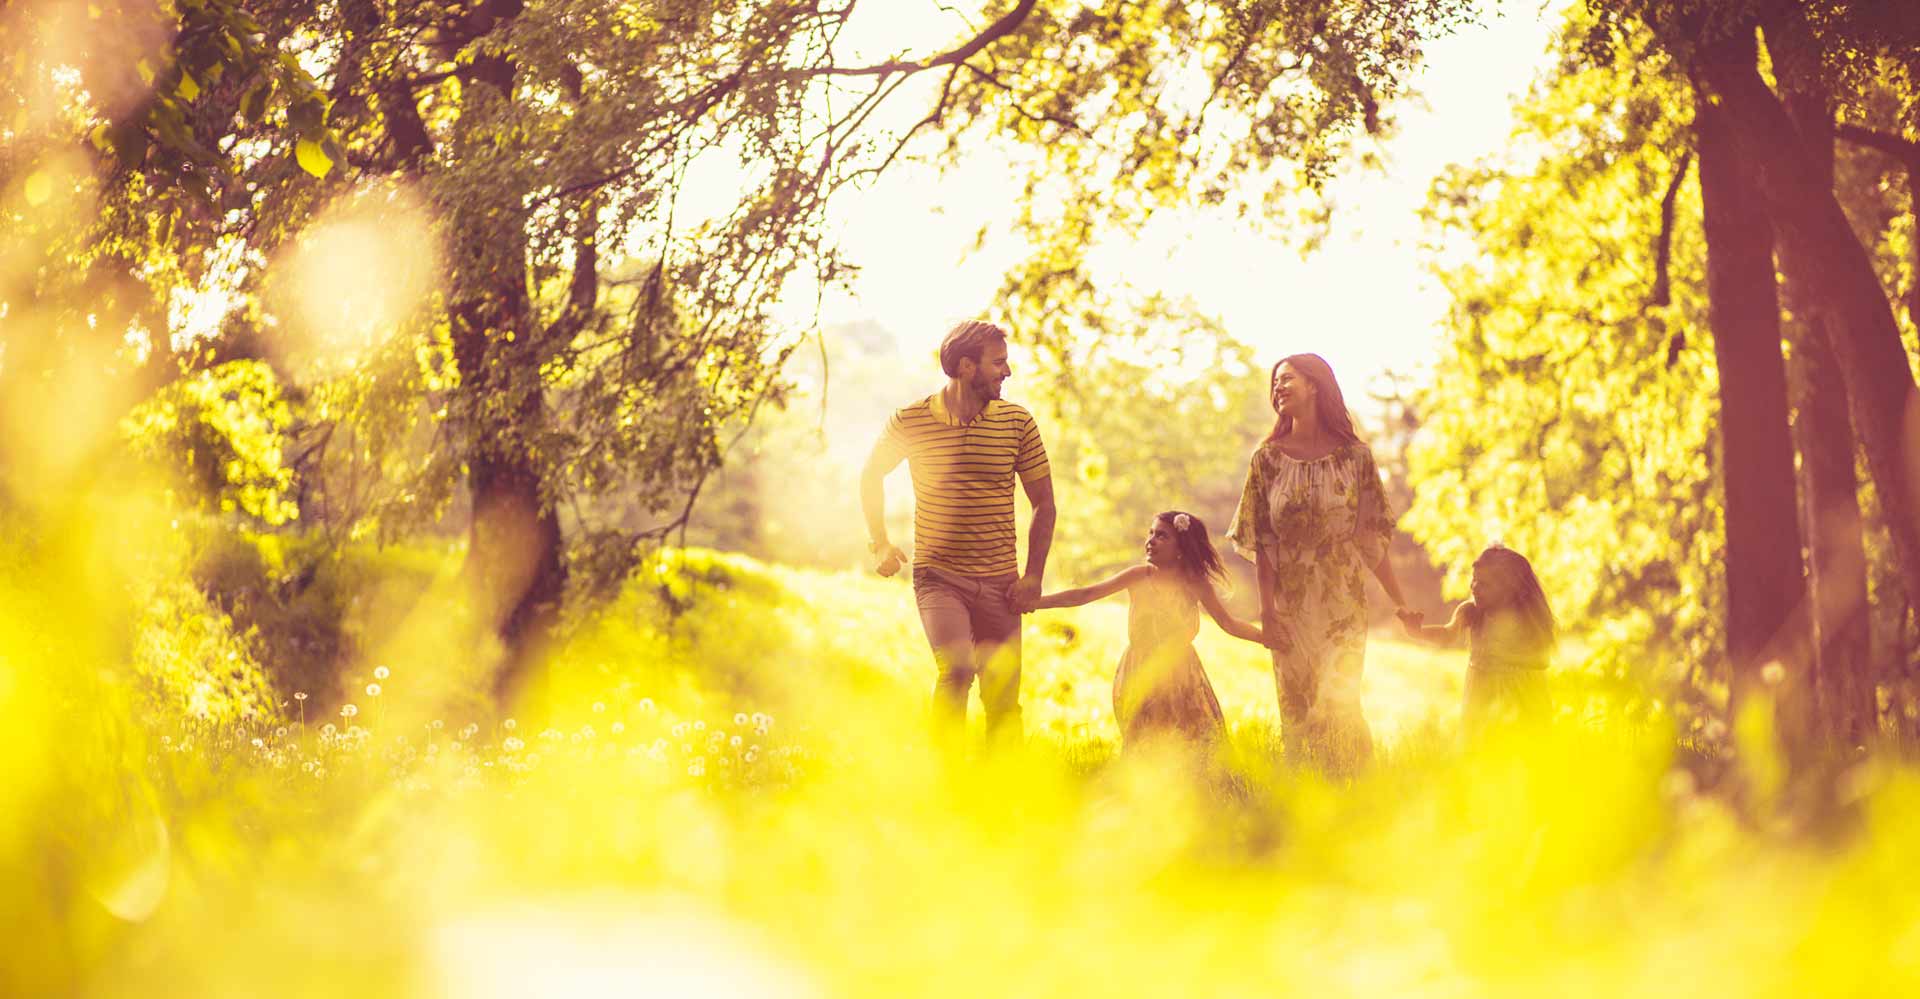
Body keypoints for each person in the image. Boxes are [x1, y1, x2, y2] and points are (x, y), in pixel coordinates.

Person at [861, 320, 1055, 743]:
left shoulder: (1017, 422)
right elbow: (871, 475)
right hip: (939, 576)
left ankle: (1001, 794)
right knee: (958, 668)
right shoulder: (910, 421)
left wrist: (1034, 575)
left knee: (1003, 698)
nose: (1007, 372)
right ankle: (944, 784)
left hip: (1002, 582)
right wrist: (879, 542)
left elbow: (1044, 503)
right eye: (998, 363)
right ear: (967, 367)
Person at [1226, 353, 1411, 775]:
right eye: (1274, 383)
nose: (1278, 388)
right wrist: (1268, 614)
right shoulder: (1266, 460)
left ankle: (1359, 788)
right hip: (1290, 608)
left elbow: (1369, 539)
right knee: (1298, 710)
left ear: (1314, 386)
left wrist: (1400, 604)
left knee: (1337, 701)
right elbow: (1263, 542)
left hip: (1343, 603)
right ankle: (1308, 800)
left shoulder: (1356, 458)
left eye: (1286, 379)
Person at [1032, 511, 1263, 752]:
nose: (1151, 540)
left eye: (1162, 536)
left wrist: (1265, 638)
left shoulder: (1195, 584)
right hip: (1139, 670)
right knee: (1146, 742)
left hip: (1181, 674)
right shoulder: (1139, 576)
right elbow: (1085, 594)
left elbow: (1228, 623)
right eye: (1151, 533)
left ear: (1181, 547)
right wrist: (1037, 602)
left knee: (1190, 743)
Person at [1399, 544, 1556, 730]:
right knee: (1482, 751)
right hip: (1482, 697)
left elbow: (1542, 660)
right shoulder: (1471, 612)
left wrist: (1507, 666)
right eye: (1474, 580)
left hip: (1521, 697)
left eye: (1485, 584)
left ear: (1510, 588)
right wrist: (1418, 632)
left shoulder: (1527, 618)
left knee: (1521, 748)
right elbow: (1448, 634)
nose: (1475, 587)